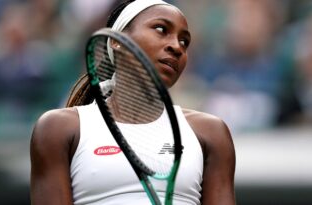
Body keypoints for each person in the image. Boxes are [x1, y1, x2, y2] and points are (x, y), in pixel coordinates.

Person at [30, 0, 236, 204]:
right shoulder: (57, 129)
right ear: (116, 40)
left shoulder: (211, 133)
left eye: (184, 42)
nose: (176, 46)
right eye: (161, 29)